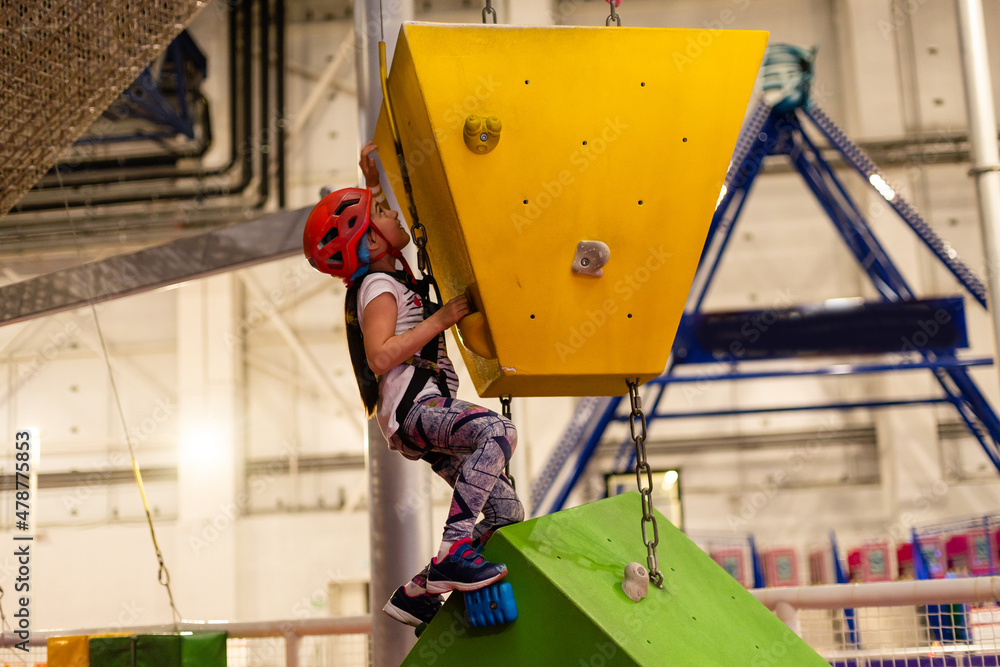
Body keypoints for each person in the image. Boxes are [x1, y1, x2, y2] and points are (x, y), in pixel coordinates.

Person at [303, 140, 524, 628]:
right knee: (499, 433)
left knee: (506, 514)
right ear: (373, 242)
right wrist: (443, 318)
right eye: (383, 211)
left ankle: (416, 593)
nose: (394, 215)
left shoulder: (385, 273)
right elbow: (381, 354)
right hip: (416, 410)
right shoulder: (377, 288)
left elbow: (372, 232)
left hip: (419, 419)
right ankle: (453, 552)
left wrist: (372, 181)